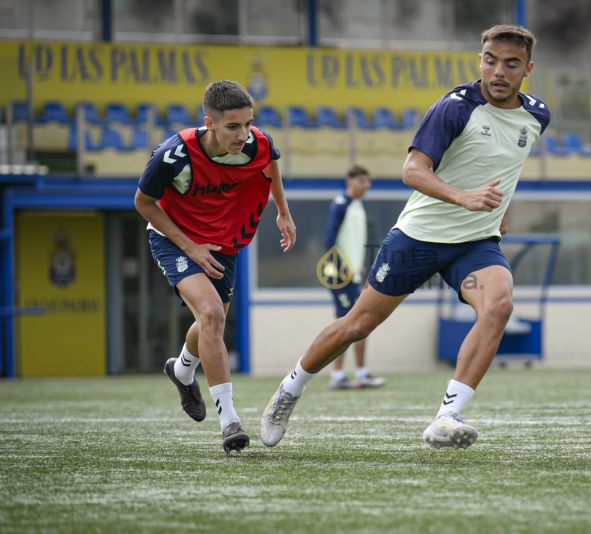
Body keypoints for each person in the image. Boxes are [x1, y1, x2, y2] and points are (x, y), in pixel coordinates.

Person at [260, 24, 549, 449]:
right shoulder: (454, 107)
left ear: (528, 68)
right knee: (357, 325)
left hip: (475, 244)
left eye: (510, 64)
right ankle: (289, 390)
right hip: (418, 240)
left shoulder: (538, 114)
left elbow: (508, 164)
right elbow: (412, 171)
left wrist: (500, 209)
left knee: (500, 305)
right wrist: (465, 198)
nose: (498, 71)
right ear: (479, 60)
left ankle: (446, 418)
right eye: (490, 60)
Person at [134, 80, 296, 453]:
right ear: (210, 123)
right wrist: (190, 247)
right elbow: (143, 202)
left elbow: (271, 162)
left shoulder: (258, 142)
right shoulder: (174, 155)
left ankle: (182, 370)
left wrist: (283, 212)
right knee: (211, 315)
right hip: (175, 238)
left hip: (223, 241)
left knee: (211, 321)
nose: (244, 134)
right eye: (233, 126)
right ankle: (230, 422)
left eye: (248, 124)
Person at [323, 164, 386, 390]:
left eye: (368, 182)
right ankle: (341, 375)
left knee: (355, 322)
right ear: (349, 181)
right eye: (362, 181)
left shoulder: (358, 207)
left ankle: (356, 373)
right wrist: (344, 267)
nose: (366, 186)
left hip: (353, 275)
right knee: (349, 323)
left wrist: (357, 266)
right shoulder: (341, 205)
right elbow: (329, 241)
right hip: (341, 276)